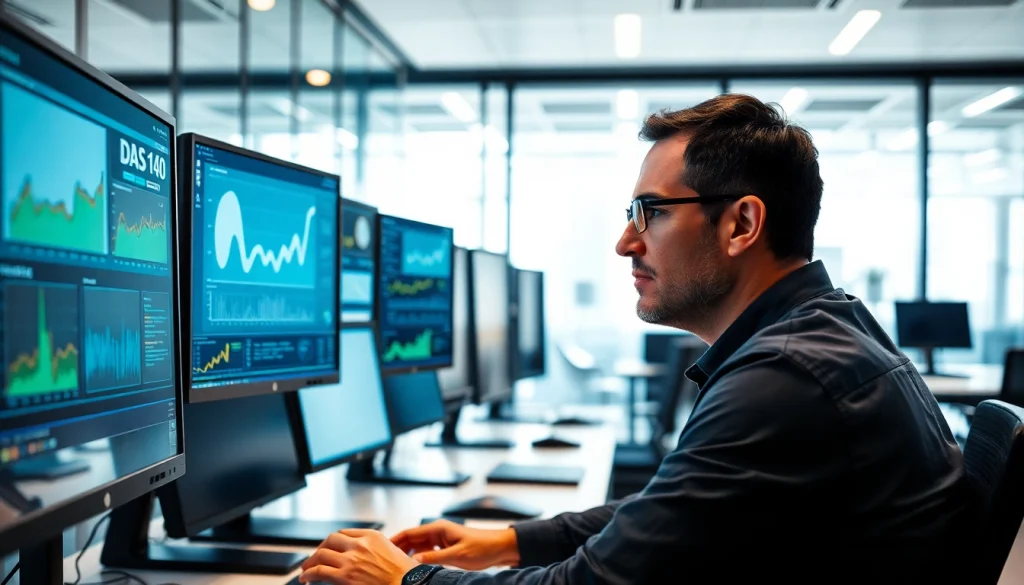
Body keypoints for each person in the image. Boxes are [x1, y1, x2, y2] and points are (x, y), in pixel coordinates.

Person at [296, 94, 974, 585]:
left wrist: (401, 581)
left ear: (741, 224)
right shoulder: (825, 331)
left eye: (649, 212)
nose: (626, 241)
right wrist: (503, 540)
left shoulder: (787, 378)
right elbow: (673, 515)